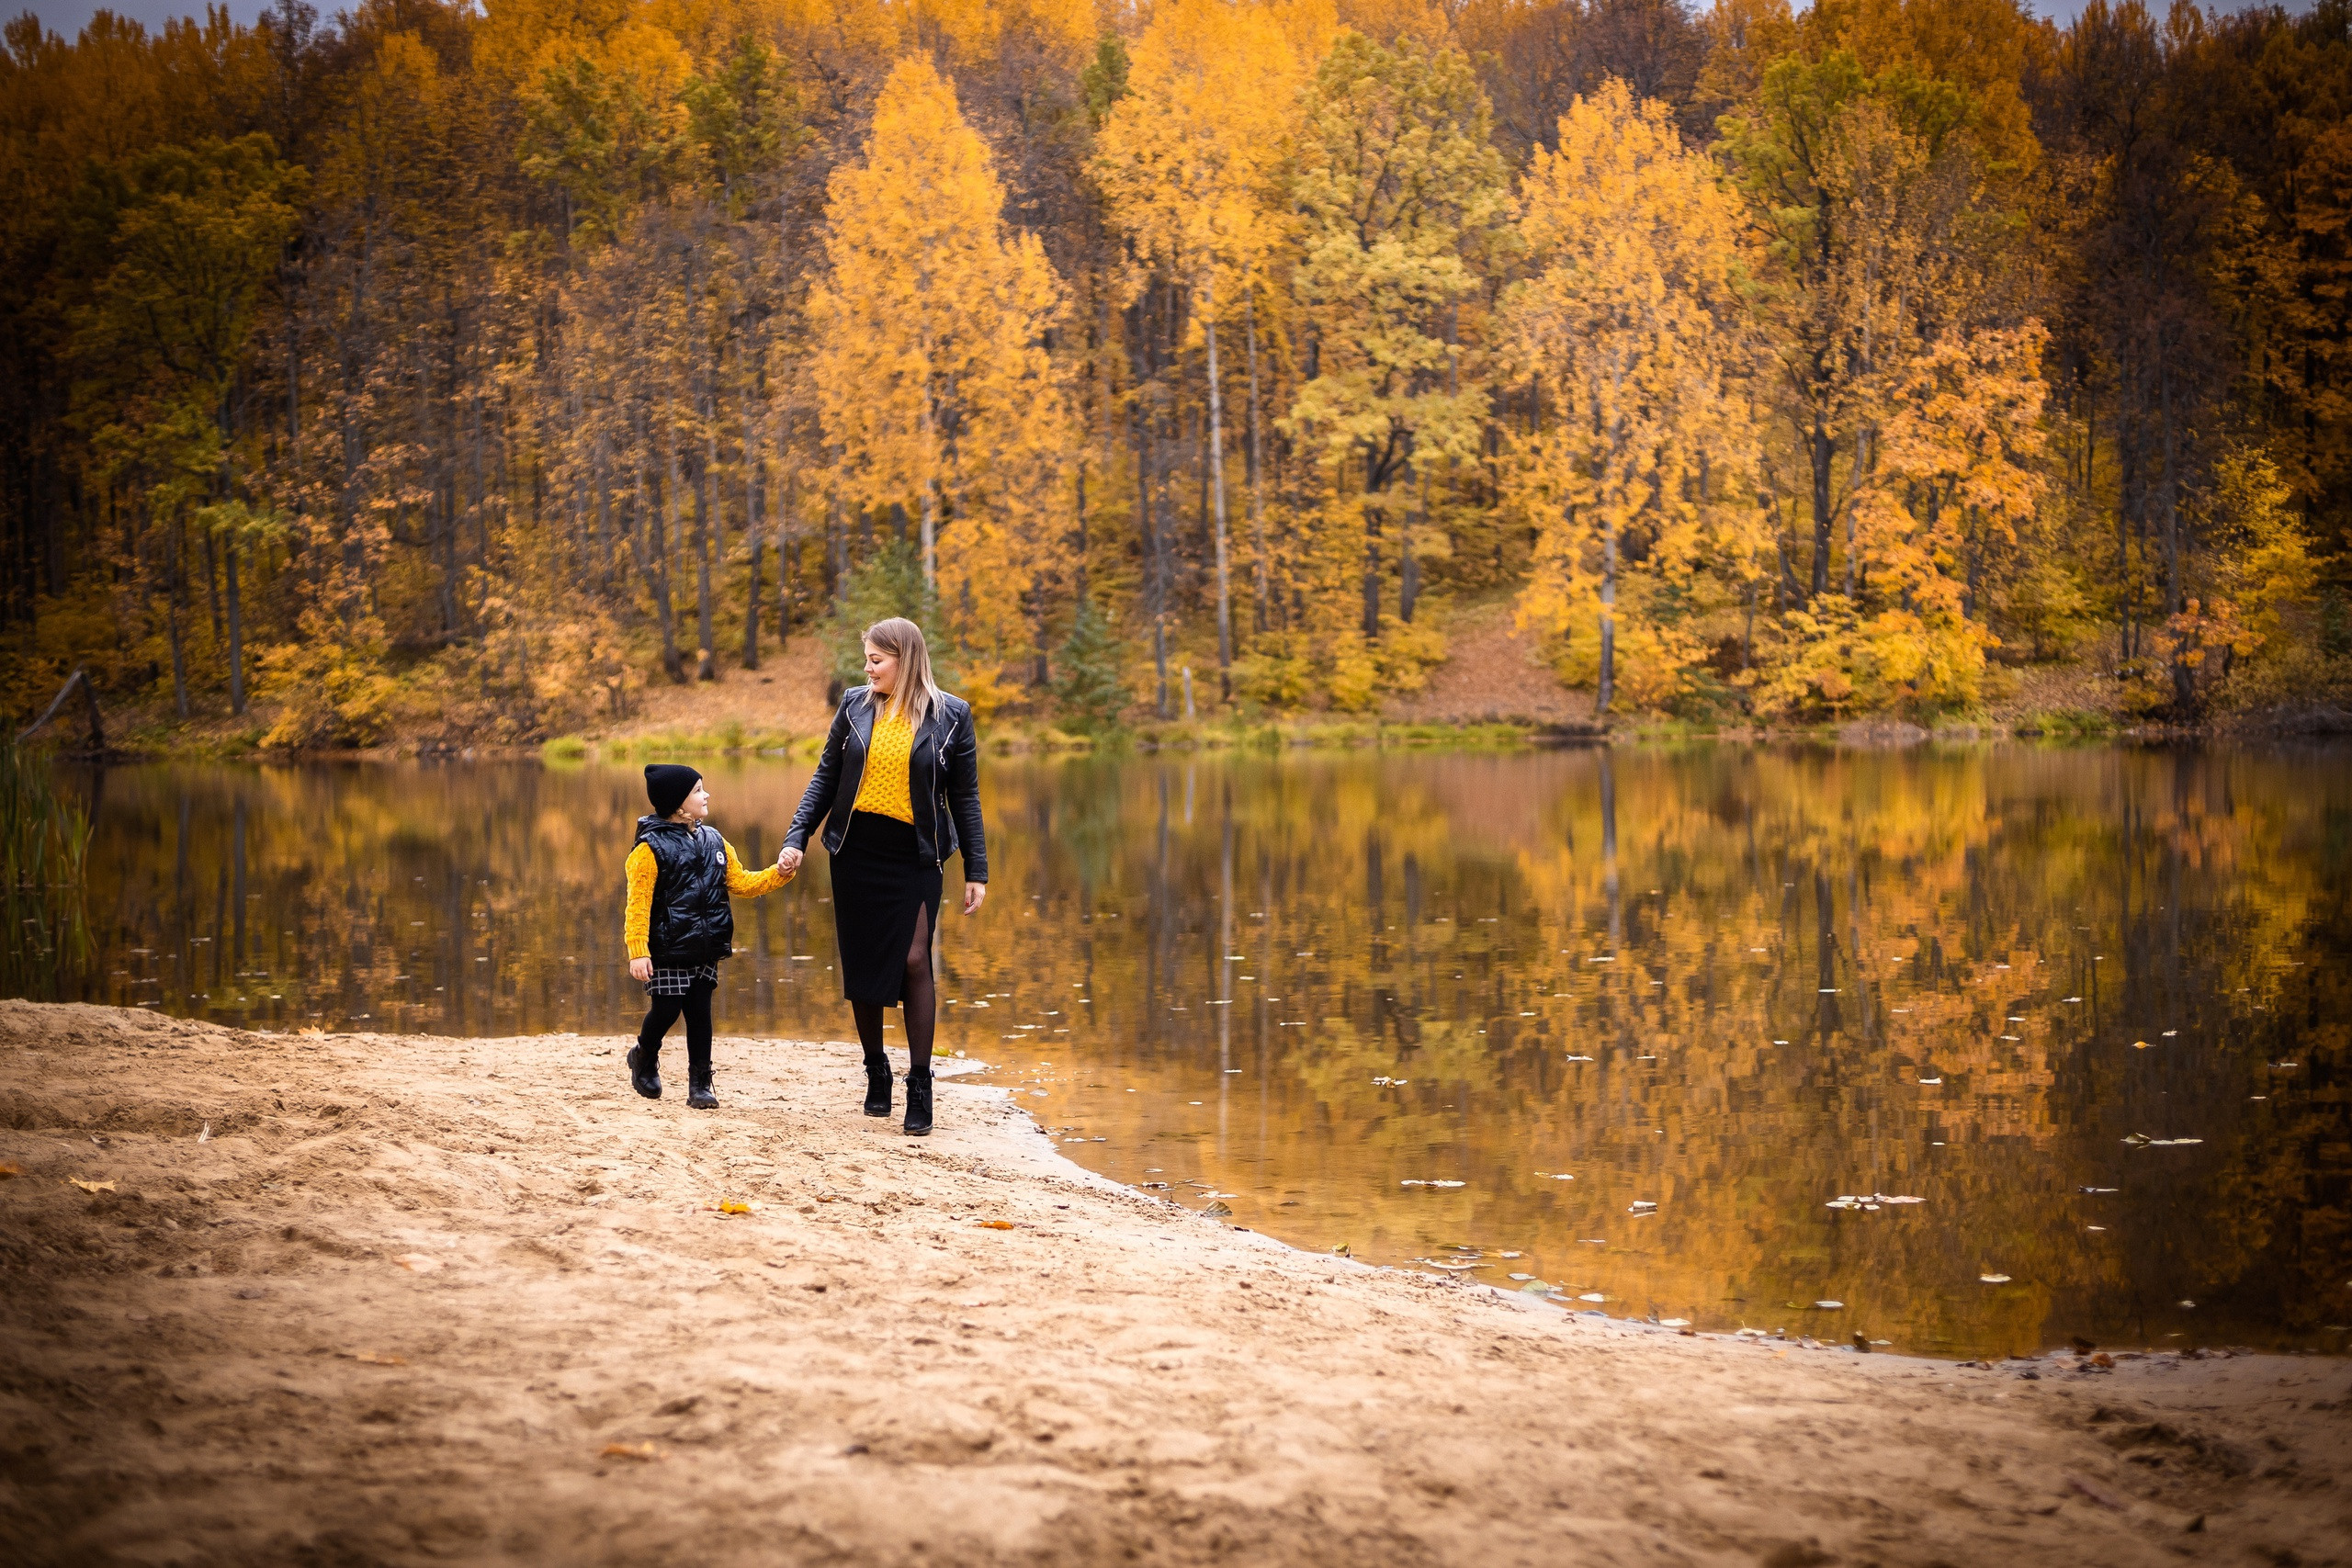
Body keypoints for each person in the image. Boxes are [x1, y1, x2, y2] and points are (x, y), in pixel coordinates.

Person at [778, 617, 987, 1136]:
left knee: (916, 958)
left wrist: (976, 870)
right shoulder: (853, 706)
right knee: (866, 965)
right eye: (866, 660)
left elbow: (964, 797)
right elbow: (825, 776)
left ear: (905, 659)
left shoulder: (951, 715)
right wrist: (796, 837)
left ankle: (920, 1082)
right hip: (855, 850)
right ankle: (877, 1070)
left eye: (877, 660)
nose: (867, 668)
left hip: (917, 855)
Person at [623, 763, 792, 1110]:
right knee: (667, 1009)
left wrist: (780, 873)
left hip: (705, 946)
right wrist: (638, 950)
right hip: (668, 947)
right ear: (678, 803)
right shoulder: (649, 849)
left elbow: (741, 882)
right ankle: (644, 1055)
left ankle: (701, 1082)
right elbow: (637, 905)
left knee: (700, 1013)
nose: (706, 795)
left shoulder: (714, 840)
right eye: (698, 790)